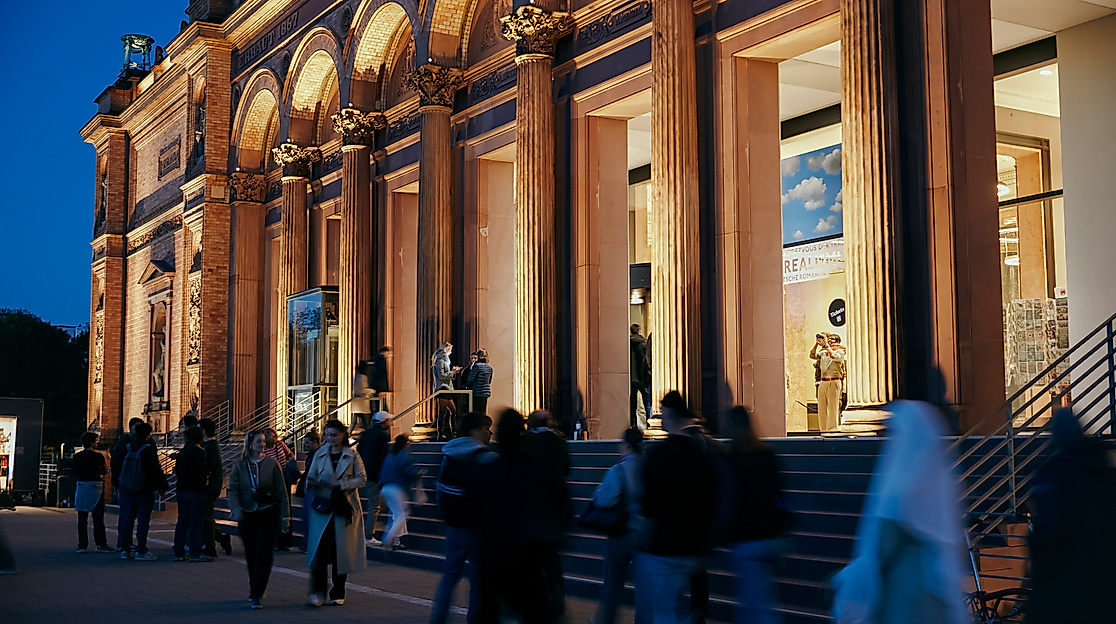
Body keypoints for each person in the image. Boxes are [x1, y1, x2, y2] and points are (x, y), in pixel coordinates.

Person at [831, 401, 967, 624]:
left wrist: (853, 579)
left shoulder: (898, 486)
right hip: (934, 591)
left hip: (903, 593)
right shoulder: (938, 482)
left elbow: (883, 545)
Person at [1025, 408, 1116, 624]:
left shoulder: (1053, 474)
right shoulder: (1105, 470)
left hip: (1064, 588)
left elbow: (1050, 536)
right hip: (1104, 586)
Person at [635, 391, 718, 624]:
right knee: (674, 606)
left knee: (665, 607)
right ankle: (697, 613)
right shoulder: (701, 453)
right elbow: (709, 498)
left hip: (662, 545)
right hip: (690, 543)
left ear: (669, 416)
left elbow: (649, 503)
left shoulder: (659, 454)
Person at [474, 409, 551, 624]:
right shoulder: (532, 467)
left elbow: (475, 510)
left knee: (488, 611)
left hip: (493, 554)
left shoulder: (489, 468)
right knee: (535, 611)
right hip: (525, 553)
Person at [722, 406, 792, 624]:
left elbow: (728, 501)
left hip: (747, 540)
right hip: (770, 537)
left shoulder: (733, 459)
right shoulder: (766, 455)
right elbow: (780, 494)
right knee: (759, 603)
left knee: (756, 608)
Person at [431, 412, 495, 624]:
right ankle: (475, 619)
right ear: (475, 431)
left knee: (450, 575)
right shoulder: (485, 458)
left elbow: (440, 490)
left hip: (455, 525)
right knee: (478, 579)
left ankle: (439, 618)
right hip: (479, 527)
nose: (490, 433)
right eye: (486, 428)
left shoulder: (450, 455)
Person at [304, 419, 367, 607]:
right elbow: (310, 477)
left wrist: (341, 484)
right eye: (327, 435)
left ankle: (338, 591)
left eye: (334, 435)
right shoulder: (319, 454)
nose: (330, 439)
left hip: (343, 507)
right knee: (319, 551)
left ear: (343, 435)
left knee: (342, 551)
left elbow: (362, 478)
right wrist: (314, 483)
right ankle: (318, 592)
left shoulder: (352, 455)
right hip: (322, 508)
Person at [228, 431, 292, 610]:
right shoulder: (240, 466)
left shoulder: (272, 464)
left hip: (268, 511)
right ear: (250, 444)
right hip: (247, 513)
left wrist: (285, 516)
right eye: (258, 441)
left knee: (262, 553)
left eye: (264, 441)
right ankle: (254, 586)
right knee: (251, 553)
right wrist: (236, 509)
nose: (262, 444)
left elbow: (282, 491)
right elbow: (232, 489)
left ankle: (258, 592)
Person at [592, 428, 645, 624]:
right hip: (644, 532)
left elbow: (603, 498)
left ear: (627, 445)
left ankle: (607, 619)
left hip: (621, 532)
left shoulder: (619, 469)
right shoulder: (648, 466)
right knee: (644, 585)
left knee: (613, 582)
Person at [524, 410, 572, 618]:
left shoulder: (524, 443)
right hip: (553, 508)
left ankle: (535, 604)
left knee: (532, 563)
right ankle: (557, 600)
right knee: (552, 562)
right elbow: (566, 469)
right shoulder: (558, 442)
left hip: (530, 509)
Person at [111, 422, 167, 561]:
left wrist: (117, 483)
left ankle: (125, 549)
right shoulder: (148, 449)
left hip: (126, 489)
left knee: (126, 519)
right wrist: (161, 486)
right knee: (143, 521)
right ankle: (141, 550)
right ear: (148, 435)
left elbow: (116, 466)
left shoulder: (126, 447)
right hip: (144, 490)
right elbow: (155, 470)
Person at [173, 426, 213, 562]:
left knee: (182, 521)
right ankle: (195, 552)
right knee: (196, 523)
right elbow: (201, 472)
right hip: (195, 491)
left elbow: (177, 470)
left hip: (182, 489)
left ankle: (178, 551)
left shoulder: (183, 452)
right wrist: (205, 482)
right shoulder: (199, 452)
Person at [379, 434, 421, 551]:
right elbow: (407, 469)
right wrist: (417, 474)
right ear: (405, 444)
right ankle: (388, 539)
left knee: (395, 514)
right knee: (402, 515)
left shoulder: (389, 456)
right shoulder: (403, 455)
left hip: (385, 487)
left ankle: (396, 542)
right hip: (396, 488)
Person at [72, 431, 112, 553]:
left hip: (82, 485)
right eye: (96, 441)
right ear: (91, 442)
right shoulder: (98, 456)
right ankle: (101, 544)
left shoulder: (77, 456)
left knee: (82, 518)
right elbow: (104, 471)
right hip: (95, 486)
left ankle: (82, 545)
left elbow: (74, 472)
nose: (97, 442)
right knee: (98, 518)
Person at [357, 411, 391, 546]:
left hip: (364, 473)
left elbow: (359, 451)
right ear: (383, 422)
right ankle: (368, 535)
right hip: (375, 475)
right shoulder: (383, 436)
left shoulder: (365, 434)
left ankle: (365, 531)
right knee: (374, 506)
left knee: (373, 504)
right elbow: (383, 456)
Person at [198, 418, 231, 557]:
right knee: (206, 516)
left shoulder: (211, 446)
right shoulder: (207, 445)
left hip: (211, 485)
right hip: (210, 484)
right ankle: (221, 539)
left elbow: (210, 466)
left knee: (207, 516)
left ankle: (211, 546)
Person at [262, 427, 296, 550]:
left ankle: (284, 541)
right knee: (273, 510)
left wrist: (291, 459)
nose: (267, 436)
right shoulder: (263, 448)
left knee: (285, 509)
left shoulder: (280, 445)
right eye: (265, 434)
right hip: (272, 481)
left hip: (284, 478)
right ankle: (274, 541)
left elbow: (289, 454)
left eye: (270, 434)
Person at [295, 430, 322, 553]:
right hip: (309, 487)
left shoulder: (318, 455)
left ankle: (310, 545)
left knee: (310, 518)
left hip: (314, 488)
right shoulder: (312, 454)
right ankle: (307, 544)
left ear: (315, 442)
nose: (305, 445)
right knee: (307, 517)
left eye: (307, 442)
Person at [815, 333, 846, 431]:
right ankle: (823, 431)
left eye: (832, 340)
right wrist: (817, 344)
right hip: (823, 381)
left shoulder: (841, 352)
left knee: (833, 407)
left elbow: (834, 356)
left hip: (834, 381)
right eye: (829, 339)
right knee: (822, 408)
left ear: (837, 342)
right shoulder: (824, 352)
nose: (830, 341)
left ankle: (833, 430)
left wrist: (827, 346)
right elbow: (812, 355)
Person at [432, 343, 461, 440]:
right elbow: (441, 376)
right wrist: (452, 372)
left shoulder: (444, 361)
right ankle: (441, 433)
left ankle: (452, 432)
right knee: (443, 412)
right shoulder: (440, 361)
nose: (451, 352)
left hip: (447, 388)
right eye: (450, 350)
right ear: (446, 350)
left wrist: (452, 372)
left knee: (453, 411)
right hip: (442, 388)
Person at [630, 324, 650, 431]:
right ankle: (649, 423)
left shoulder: (627, 343)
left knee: (632, 403)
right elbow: (646, 362)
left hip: (631, 378)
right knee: (646, 402)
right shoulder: (644, 343)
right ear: (639, 331)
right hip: (642, 378)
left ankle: (633, 424)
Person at [465, 350, 494, 416]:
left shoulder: (476, 366)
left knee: (476, 412)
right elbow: (489, 381)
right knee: (483, 411)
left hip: (477, 391)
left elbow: (470, 379)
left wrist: (466, 383)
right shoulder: (489, 367)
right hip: (486, 392)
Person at [349, 362, 374, 434]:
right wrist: (372, 391)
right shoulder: (362, 377)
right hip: (361, 402)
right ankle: (368, 434)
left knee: (356, 419)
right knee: (364, 420)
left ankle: (348, 433)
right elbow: (362, 389)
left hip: (358, 402)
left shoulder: (356, 376)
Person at [369, 346, 392, 412]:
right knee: (380, 404)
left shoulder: (375, 360)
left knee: (378, 404)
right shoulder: (380, 361)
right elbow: (382, 375)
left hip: (375, 387)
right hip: (379, 387)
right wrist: (383, 388)